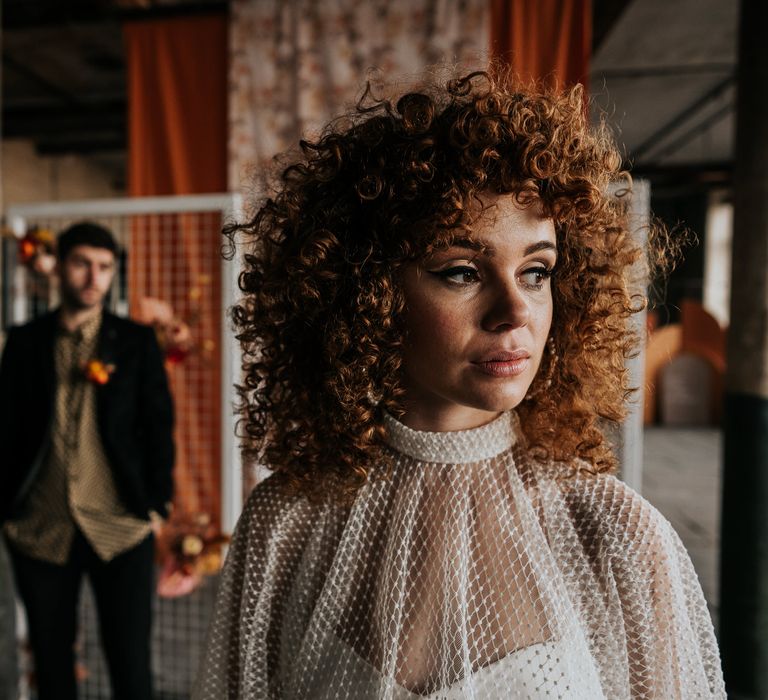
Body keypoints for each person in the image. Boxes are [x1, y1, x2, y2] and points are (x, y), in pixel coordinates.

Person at [195, 70, 725, 698]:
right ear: (365, 294)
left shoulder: (616, 537)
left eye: (536, 271)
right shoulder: (286, 525)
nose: (515, 311)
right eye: (459, 272)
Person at [0, 222, 174, 700]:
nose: (93, 277)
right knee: (52, 666)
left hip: (120, 527)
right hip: (41, 528)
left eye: (104, 267)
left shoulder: (135, 343)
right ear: (60, 268)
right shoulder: (25, 342)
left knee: (130, 665)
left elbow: (159, 424)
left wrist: (158, 505)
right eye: (82, 263)